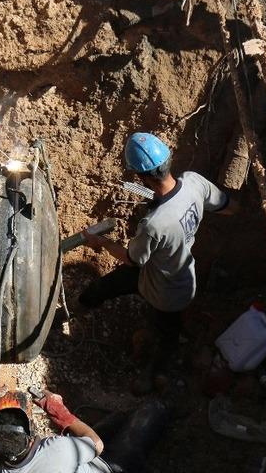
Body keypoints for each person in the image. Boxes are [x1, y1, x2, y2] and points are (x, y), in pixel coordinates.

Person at [80, 132, 237, 393]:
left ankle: (156, 373)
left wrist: (102, 243)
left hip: (165, 291)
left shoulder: (154, 224)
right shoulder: (193, 182)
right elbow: (228, 206)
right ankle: (85, 303)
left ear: (143, 177)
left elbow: (132, 259)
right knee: (114, 287)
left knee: (166, 334)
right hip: (183, 277)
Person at [0, 388, 167, 473]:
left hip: (83, 457)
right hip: (109, 467)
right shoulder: (58, 448)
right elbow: (96, 444)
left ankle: (121, 417)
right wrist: (59, 412)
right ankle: (166, 406)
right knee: (151, 410)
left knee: (110, 425)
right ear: (32, 431)